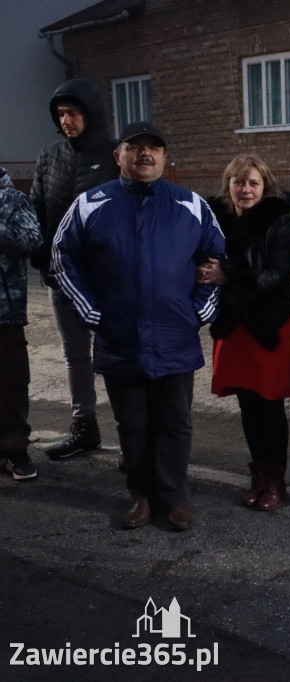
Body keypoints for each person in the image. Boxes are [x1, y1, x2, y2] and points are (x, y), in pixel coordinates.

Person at [51, 122, 225, 532]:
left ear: (165, 157)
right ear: (119, 157)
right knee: (133, 424)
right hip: (119, 337)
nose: (145, 154)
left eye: (154, 148)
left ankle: (175, 496)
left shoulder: (192, 205)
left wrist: (197, 312)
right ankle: (142, 497)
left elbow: (218, 262)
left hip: (174, 337)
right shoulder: (90, 203)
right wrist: (92, 313)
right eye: (135, 148)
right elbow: (62, 258)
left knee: (175, 422)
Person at [198, 154, 290, 512]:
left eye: (253, 183)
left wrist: (230, 273)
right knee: (247, 405)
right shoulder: (216, 221)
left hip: (268, 324)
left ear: (265, 186)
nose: (245, 189)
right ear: (229, 185)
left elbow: (278, 275)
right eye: (239, 182)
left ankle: (276, 480)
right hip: (234, 324)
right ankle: (258, 477)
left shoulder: (280, 223)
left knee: (269, 405)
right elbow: (203, 261)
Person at [29, 79, 118, 461]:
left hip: (107, 279)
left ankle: (132, 434)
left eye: (74, 113)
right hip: (61, 278)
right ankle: (85, 427)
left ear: (90, 114)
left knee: (115, 353)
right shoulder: (49, 156)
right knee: (75, 355)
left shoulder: (116, 154)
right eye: (61, 114)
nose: (66, 120)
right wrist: (41, 255)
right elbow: (37, 209)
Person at [0, 166, 44, 481]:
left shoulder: (14, 199)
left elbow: (31, 240)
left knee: (12, 385)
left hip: (5, 311)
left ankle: (15, 451)